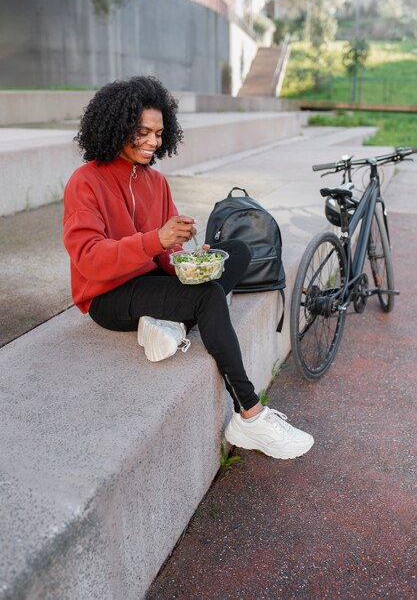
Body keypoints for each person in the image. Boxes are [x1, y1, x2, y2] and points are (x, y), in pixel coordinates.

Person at [63, 75, 314, 460]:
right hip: (107, 296)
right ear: (115, 128)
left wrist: (185, 256)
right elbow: (90, 259)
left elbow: (167, 249)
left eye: (159, 134)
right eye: (142, 132)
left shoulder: (156, 181)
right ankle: (249, 415)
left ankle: (171, 322)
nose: (152, 142)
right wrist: (156, 241)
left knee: (235, 252)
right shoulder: (86, 182)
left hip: (150, 279)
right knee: (209, 297)